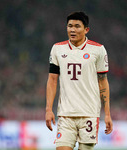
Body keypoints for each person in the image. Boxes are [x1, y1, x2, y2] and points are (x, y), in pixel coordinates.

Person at [46, 11, 113, 150]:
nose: (72, 29)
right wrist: (48, 109)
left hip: (89, 114)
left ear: (86, 29)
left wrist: (107, 114)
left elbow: (103, 82)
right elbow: (52, 80)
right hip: (66, 114)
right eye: (70, 26)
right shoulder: (57, 49)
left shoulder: (98, 50)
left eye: (77, 26)